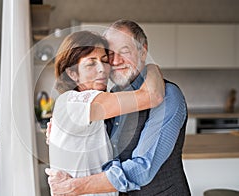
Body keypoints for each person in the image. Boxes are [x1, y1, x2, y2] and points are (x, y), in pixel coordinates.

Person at [46, 20, 191, 195]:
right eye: (110, 55)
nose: (115, 61)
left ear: (143, 51)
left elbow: (143, 168)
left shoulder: (168, 95)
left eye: (124, 51)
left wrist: (73, 186)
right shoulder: (109, 96)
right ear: (73, 73)